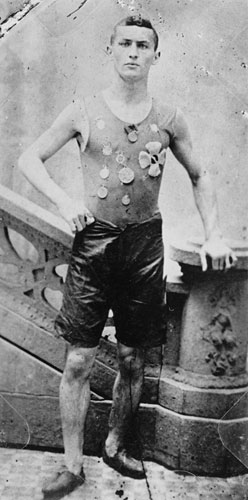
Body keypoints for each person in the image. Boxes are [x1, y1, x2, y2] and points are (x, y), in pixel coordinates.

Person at [18, 15, 236, 499]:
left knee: (134, 358)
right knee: (78, 360)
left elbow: (201, 175)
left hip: (143, 246)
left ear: (156, 56)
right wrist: (64, 200)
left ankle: (116, 444)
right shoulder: (83, 111)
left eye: (143, 45)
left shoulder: (170, 118)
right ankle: (73, 466)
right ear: (110, 50)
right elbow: (28, 159)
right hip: (95, 246)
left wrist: (214, 234)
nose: (134, 52)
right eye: (125, 43)